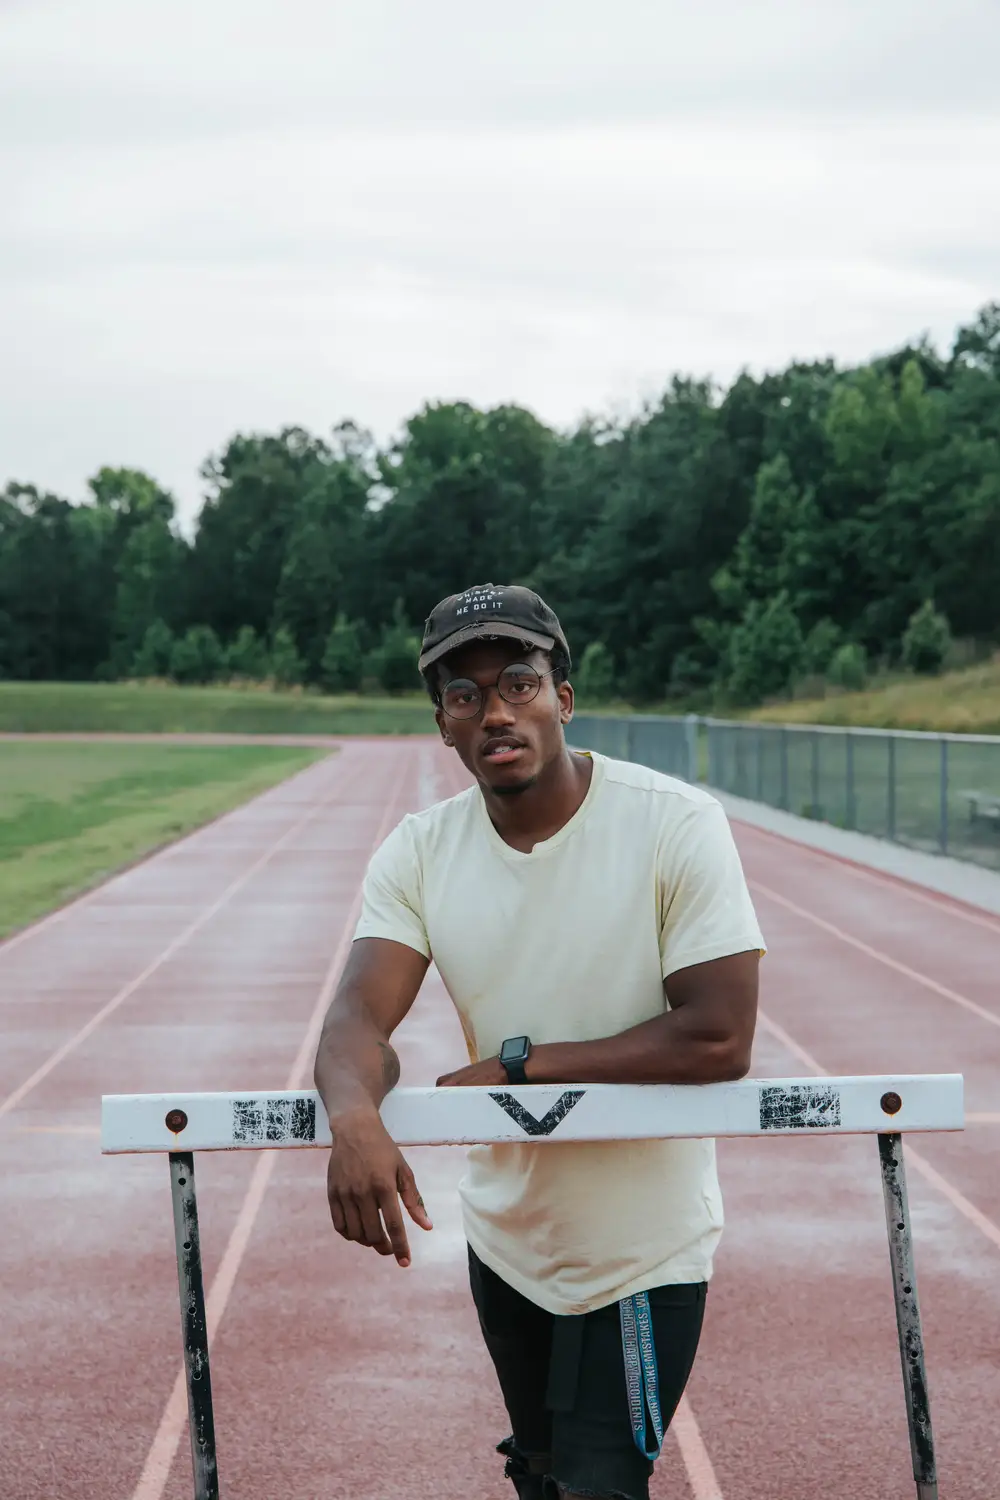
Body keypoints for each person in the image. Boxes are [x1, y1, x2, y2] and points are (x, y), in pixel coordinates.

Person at [313, 583, 766, 1500]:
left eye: (518, 681)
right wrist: (353, 1116)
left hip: (641, 1248)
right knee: (546, 1477)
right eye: (465, 694)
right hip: (509, 1237)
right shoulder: (420, 850)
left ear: (564, 695)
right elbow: (360, 1017)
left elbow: (720, 1035)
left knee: (601, 1484)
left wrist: (522, 1065)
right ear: (442, 723)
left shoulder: (672, 821)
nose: (495, 711)